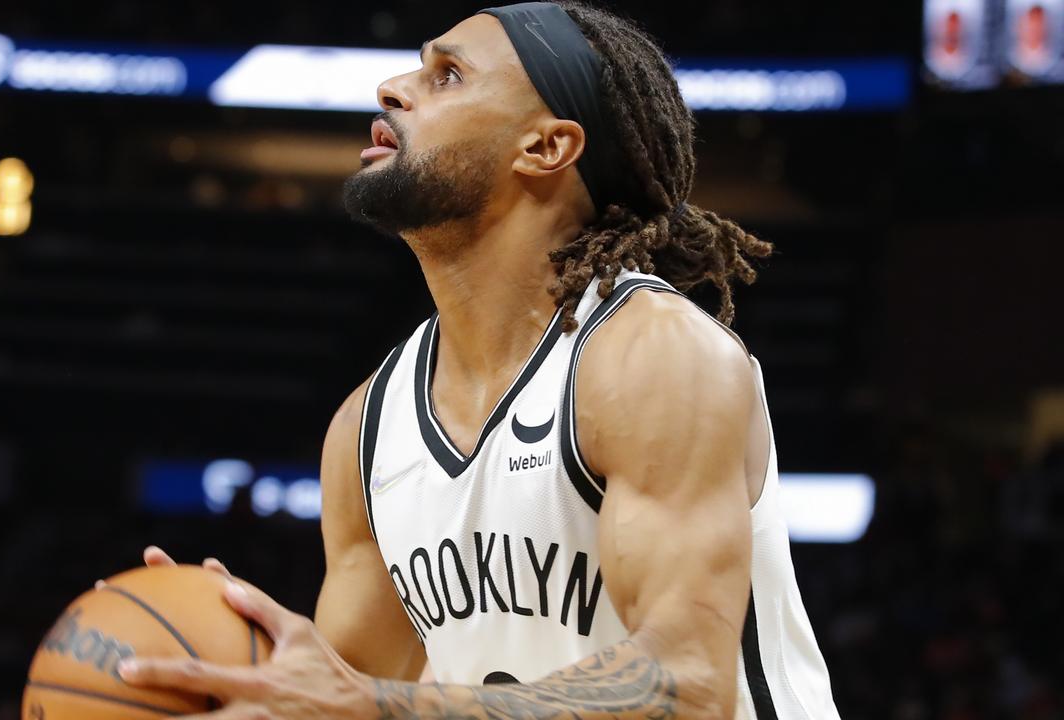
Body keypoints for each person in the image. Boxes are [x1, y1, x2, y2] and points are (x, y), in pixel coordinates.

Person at [122, 2, 841, 717]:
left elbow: (689, 688)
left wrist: (374, 703)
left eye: (448, 75)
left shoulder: (653, 357)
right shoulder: (367, 430)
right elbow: (344, 699)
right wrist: (240, 675)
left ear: (544, 147)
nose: (394, 87)